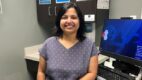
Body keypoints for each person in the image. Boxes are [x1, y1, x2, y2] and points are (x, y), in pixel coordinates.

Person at [37, 3, 99, 80]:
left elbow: (92, 73)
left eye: (73, 17)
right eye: (64, 17)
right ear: (59, 21)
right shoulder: (48, 44)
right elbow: (41, 72)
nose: (69, 21)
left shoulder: (89, 45)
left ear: (80, 21)